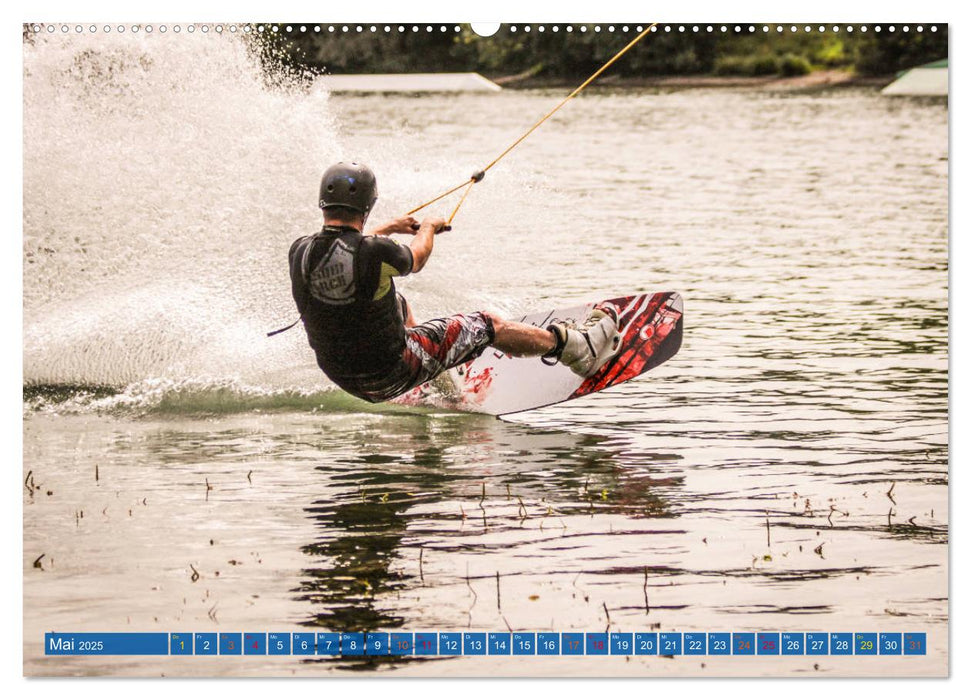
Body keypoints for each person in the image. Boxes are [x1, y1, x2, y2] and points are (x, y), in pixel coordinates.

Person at [288, 161, 620, 403]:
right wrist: (429, 227)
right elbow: (416, 258)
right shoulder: (374, 252)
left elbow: (345, 251)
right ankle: (579, 350)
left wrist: (388, 227)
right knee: (488, 325)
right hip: (392, 372)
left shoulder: (300, 250)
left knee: (397, 303)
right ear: (367, 205)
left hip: (347, 379)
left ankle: (439, 386)